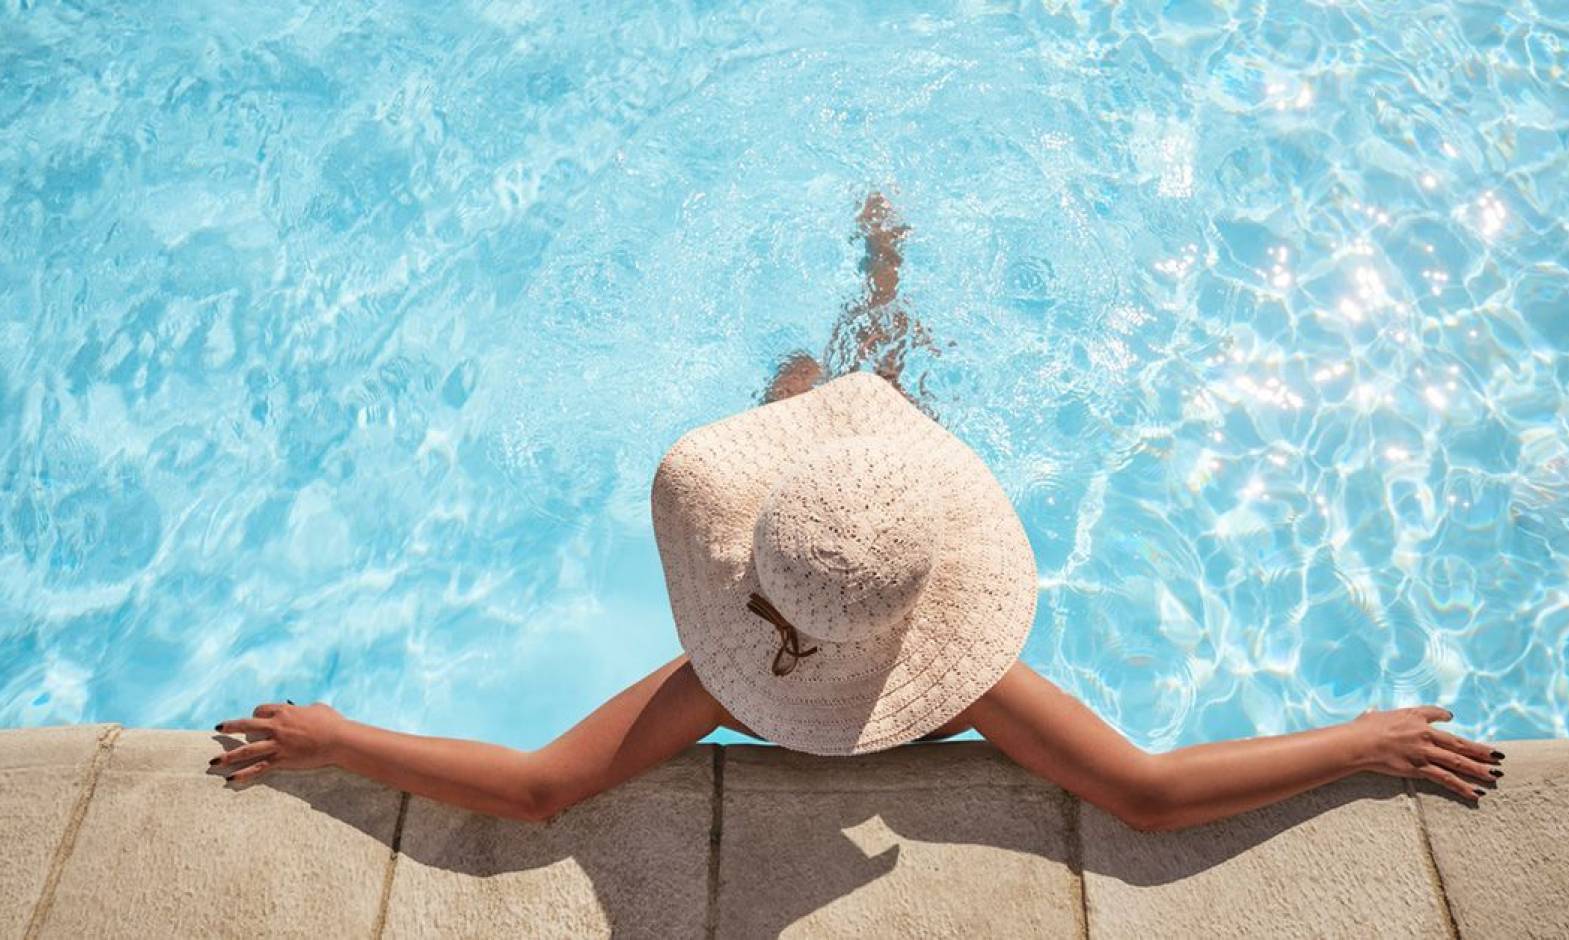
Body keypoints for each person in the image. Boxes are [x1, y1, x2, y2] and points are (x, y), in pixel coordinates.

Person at [210, 194, 1503, 830]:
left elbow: (543, 789)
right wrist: (1358, 741)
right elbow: (1147, 797)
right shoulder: (971, 683)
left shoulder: (722, 685)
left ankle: (864, 302)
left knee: (809, 395)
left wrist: (340, 738)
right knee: (868, 397)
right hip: (864, 539)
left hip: (825, 533)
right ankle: (883, 277)